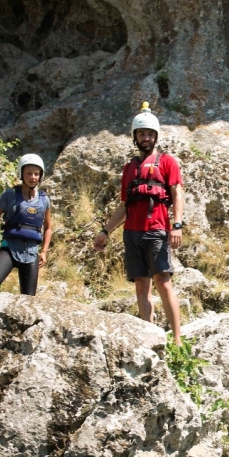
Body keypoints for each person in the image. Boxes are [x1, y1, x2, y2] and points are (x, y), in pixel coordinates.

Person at [93, 102, 183, 343]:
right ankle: (149, 336)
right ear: (135, 136)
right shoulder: (129, 168)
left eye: (150, 134)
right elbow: (124, 205)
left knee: (163, 282)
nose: (146, 138)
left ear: (156, 137)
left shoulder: (167, 162)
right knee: (141, 284)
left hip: (157, 231)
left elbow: (177, 193)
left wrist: (177, 225)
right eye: (142, 134)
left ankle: (177, 340)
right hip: (132, 233)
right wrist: (105, 231)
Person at [0, 154, 52, 296]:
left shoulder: (44, 200)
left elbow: (48, 228)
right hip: (9, 248)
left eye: (36, 174)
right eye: (29, 173)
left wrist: (43, 252)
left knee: (28, 298)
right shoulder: (9, 195)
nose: (33, 177)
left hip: (31, 253)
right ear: (21, 174)